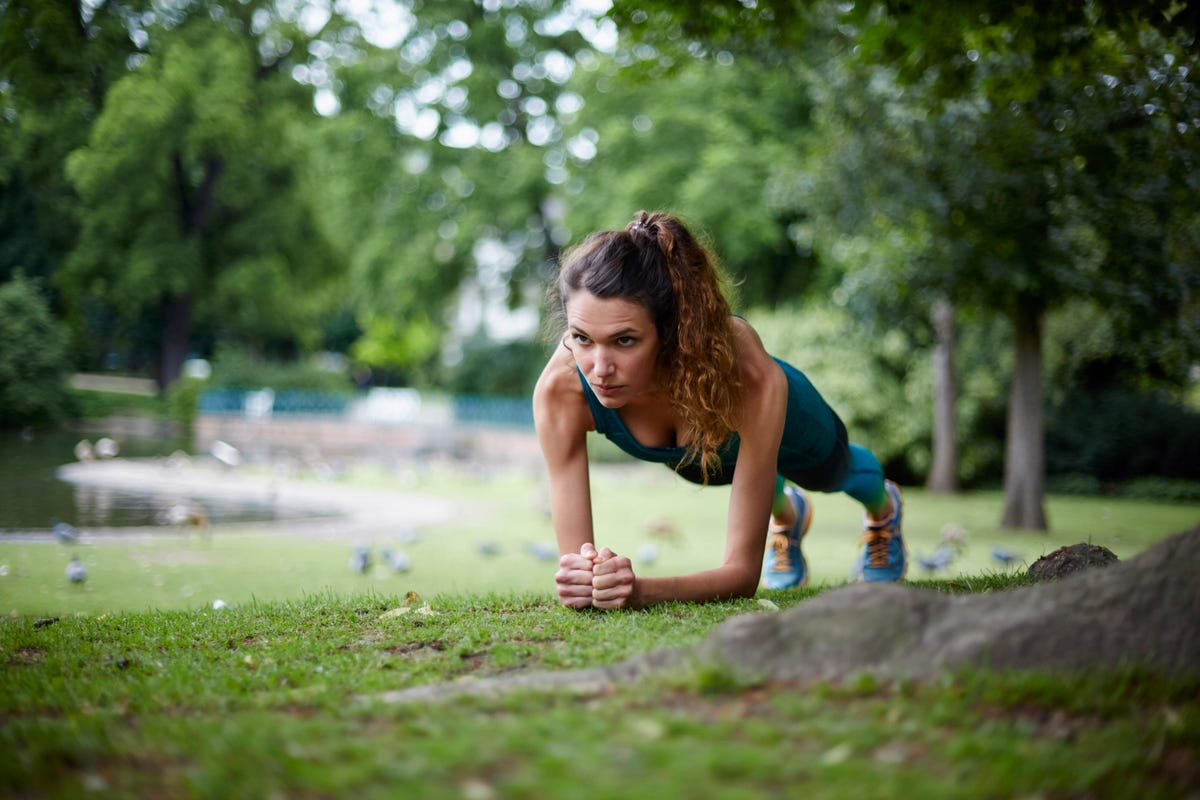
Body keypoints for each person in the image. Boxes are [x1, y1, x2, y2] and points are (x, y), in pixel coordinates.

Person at [533, 211, 906, 610]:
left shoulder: (750, 376)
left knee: (837, 473)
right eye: (582, 338)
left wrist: (639, 590)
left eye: (625, 340)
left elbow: (742, 577)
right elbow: (576, 561)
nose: (599, 369)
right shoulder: (561, 390)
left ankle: (883, 509)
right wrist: (584, 579)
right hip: (705, 460)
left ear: (672, 330)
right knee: (733, 475)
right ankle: (787, 515)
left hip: (793, 424)